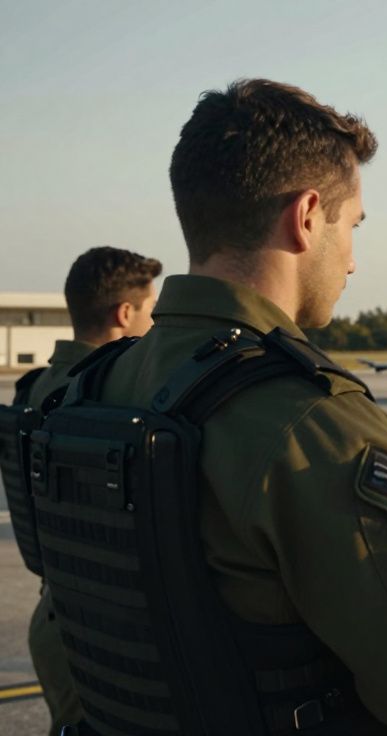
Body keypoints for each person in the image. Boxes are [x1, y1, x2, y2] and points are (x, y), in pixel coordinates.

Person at [40, 79, 387, 735]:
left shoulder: (90, 387)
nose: (352, 260)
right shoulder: (310, 421)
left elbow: (55, 633)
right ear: (308, 215)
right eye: (353, 227)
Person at [17, 245, 162, 735]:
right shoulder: (115, 399)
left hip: (55, 619)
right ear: (125, 313)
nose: (154, 326)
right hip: (104, 632)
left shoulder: (36, 389)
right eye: (150, 313)